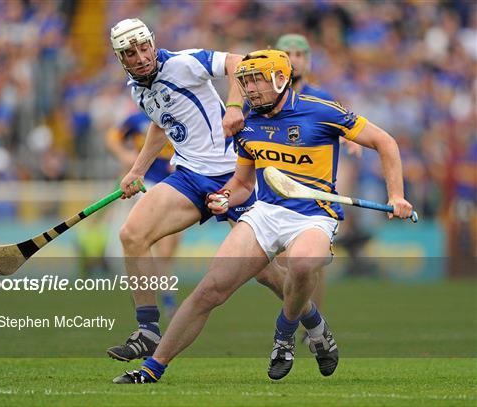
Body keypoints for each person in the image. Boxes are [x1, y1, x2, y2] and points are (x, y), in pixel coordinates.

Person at [113, 49, 414, 384]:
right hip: (265, 213)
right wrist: (225, 198)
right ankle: (151, 370)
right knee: (210, 290)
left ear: (280, 80)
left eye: (257, 81)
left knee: (301, 265)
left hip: (314, 216)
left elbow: (385, 142)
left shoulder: (321, 111)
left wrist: (396, 195)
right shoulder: (247, 123)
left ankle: (283, 335)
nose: (250, 89)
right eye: (245, 82)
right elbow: (242, 182)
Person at [105, 18, 282, 362]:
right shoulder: (138, 90)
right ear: (120, 59)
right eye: (130, 53)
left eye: (143, 48)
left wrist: (233, 107)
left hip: (233, 177)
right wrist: (137, 170)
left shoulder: (183, 63)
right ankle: (147, 331)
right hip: (189, 177)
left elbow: (238, 62)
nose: (140, 57)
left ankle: (314, 324)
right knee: (132, 235)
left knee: (264, 272)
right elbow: (161, 124)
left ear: (152, 43)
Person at [274, 33, 362, 343]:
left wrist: (351, 143)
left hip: (312, 197)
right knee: (282, 265)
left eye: (300, 53)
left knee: (312, 266)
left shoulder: (321, 98)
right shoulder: (261, 99)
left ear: (308, 61)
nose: (295, 58)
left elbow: (348, 128)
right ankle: (309, 319)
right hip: (274, 195)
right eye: (288, 52)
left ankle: (312, 329)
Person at [106, 110, 181, 318]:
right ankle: (156, 299)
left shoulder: (181, 111)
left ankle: (162, 296)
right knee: (149, 242)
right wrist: (124, 155)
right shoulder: (136, 119)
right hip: (147, 185)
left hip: (179, 186)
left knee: (166, 252)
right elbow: (113, 137)